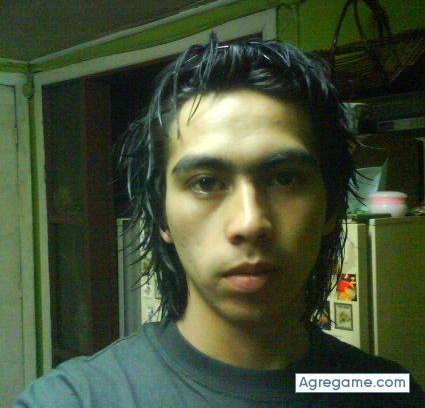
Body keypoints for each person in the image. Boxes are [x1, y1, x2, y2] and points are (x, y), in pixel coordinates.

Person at [15, 36, 424, 407]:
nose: (249, 223)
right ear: (161, 217)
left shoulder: (386, 393)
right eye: (206, 183)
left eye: (285, 179)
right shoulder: (76, 399)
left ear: (331, 207)